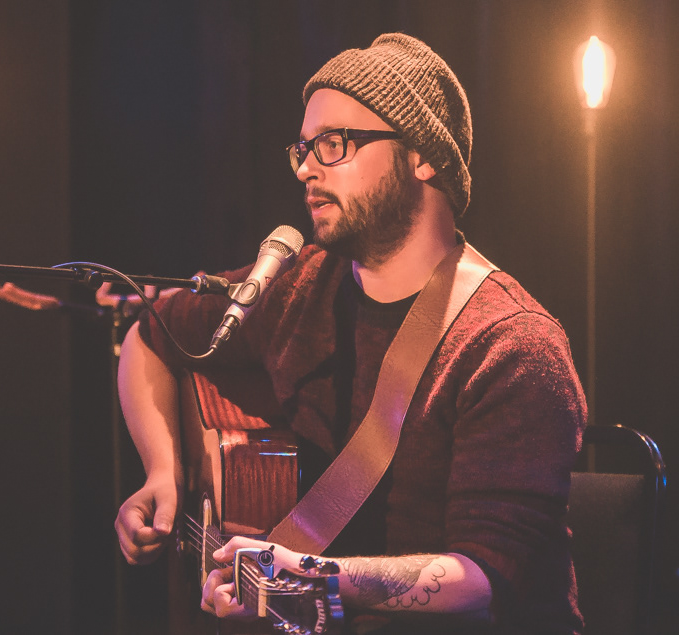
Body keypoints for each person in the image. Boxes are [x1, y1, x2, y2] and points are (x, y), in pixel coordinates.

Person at [113, 33, 587, 634]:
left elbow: (484, 579)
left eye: (334, 144)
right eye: (304, 148)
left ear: (422, 157)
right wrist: (163, 473)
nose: (306, 168)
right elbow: (149, 335)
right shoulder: (300, 285)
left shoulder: (512, 345)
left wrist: (311, 576)